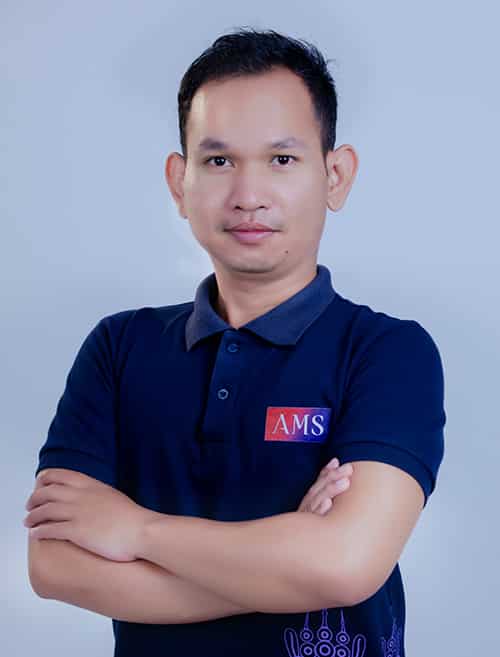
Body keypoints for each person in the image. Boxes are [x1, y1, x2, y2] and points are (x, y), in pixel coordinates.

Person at [24, 27, 446, 657]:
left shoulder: (388, 353)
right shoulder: (118, 347)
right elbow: (54, 566)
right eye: (219, 161)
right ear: (179, 181)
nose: (249, 197)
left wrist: (136, 529)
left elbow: (346, 564)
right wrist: (289, 563)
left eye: (282, 160)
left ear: (335, 176)